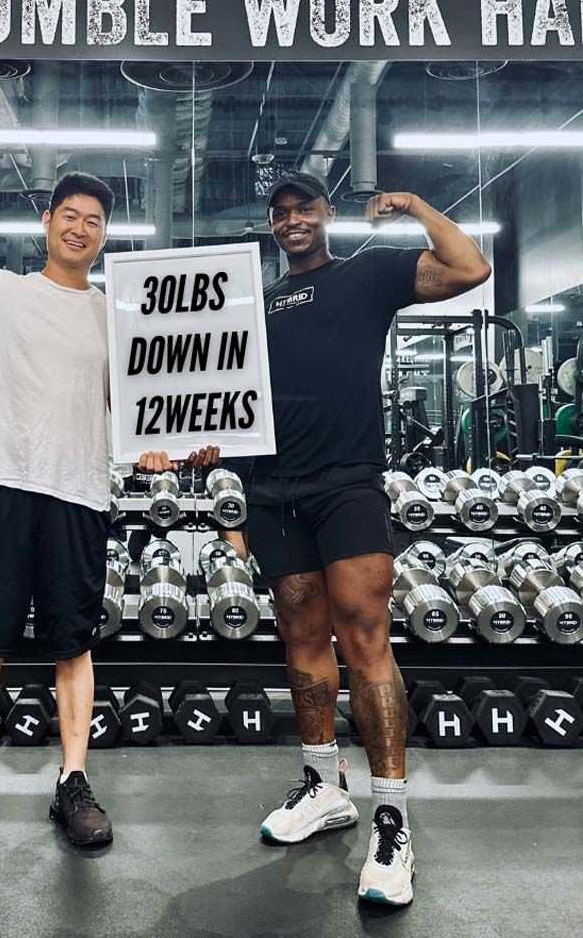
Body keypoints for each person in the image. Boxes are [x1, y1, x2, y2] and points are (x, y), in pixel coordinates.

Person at [0, 172, 216, 859]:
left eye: (94, 220)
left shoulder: (115, 316)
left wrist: (165, 452)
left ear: (104, 234)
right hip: (3, 484)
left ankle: (73, 780)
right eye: (70, 216)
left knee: (74, 645)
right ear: (47, 222)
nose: (80, 228)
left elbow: (138, 414)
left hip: (79, 491)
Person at [223, 171, 490, 906]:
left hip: (346, 483)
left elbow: (471, 267)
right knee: (302, 636)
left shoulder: (368, 275)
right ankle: (322, 786)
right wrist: (237, 498)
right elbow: (232, 399)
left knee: (365, 634)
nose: (291, 221)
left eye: (303, 207)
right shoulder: (257, 303)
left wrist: (415, 208)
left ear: (326, 212)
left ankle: (393, 824)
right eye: (280, 213)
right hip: (273, 492)